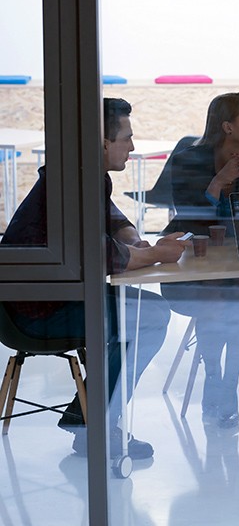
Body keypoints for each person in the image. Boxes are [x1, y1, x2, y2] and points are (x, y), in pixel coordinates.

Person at [0, 97, 189, 458]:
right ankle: (94, 426)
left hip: (49, 299)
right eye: (126, 138)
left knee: (143, 314)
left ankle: (87, 415)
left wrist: (137, 239)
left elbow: (112, 221)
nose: (133, 147)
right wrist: (154, 254)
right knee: (149, 316)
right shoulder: (73, 183)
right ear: (103, 143)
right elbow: (98, 254)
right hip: (34, 314)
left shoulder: (81, 173)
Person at [161, 92, 239, 429]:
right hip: (195, 264)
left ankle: (227, 382)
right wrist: (219, 181)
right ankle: (213, 377)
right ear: (228, 127)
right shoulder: (188, 159)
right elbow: (186, 217)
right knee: (214, 295)